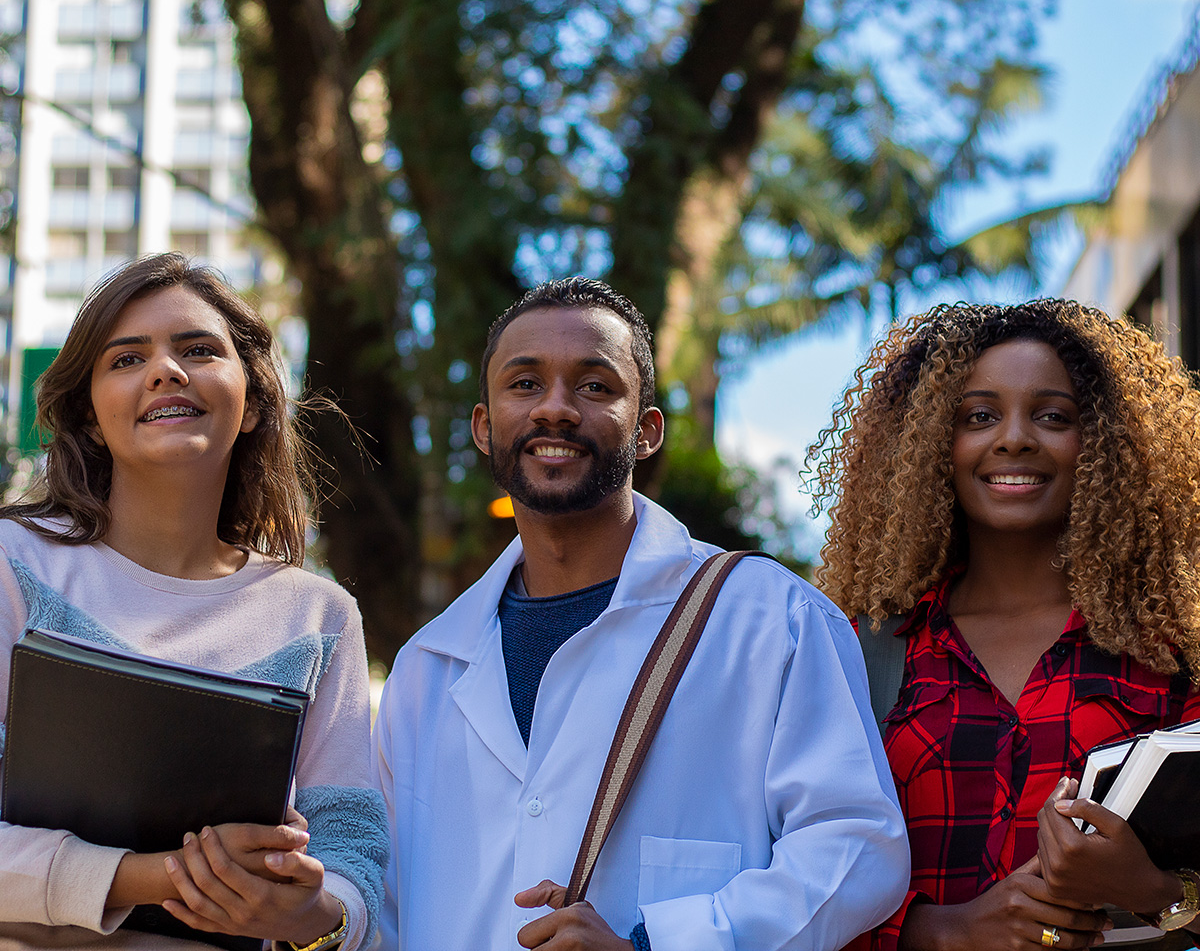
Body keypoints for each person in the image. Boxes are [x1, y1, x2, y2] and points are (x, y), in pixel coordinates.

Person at [372, 277, 909, 951]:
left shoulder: (772, 620)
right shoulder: (425, 668)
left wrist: (662, 943)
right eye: (525, 384)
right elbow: (384, 907)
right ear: (485, 427)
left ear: (647, 430)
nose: (556, 410)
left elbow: (857, 847)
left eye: (595, 386)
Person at [0, 253, 388, 950]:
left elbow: (353, 852)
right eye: (126, 359)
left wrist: (314, 920)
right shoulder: (12, 565)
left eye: (198, 350)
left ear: (254, 404)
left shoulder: (320, 618)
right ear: (89, 417)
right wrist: (155, 877)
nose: (165, 370)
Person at [810, 300, 1200, 951]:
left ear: (1106, 444)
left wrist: (1155, 893)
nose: (1014, 438)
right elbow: (790, 873)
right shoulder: (861, 651)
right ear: (934, 442)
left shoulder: (1173, 652)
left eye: (1053, 416)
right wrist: (942, 930)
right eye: (979, 416)